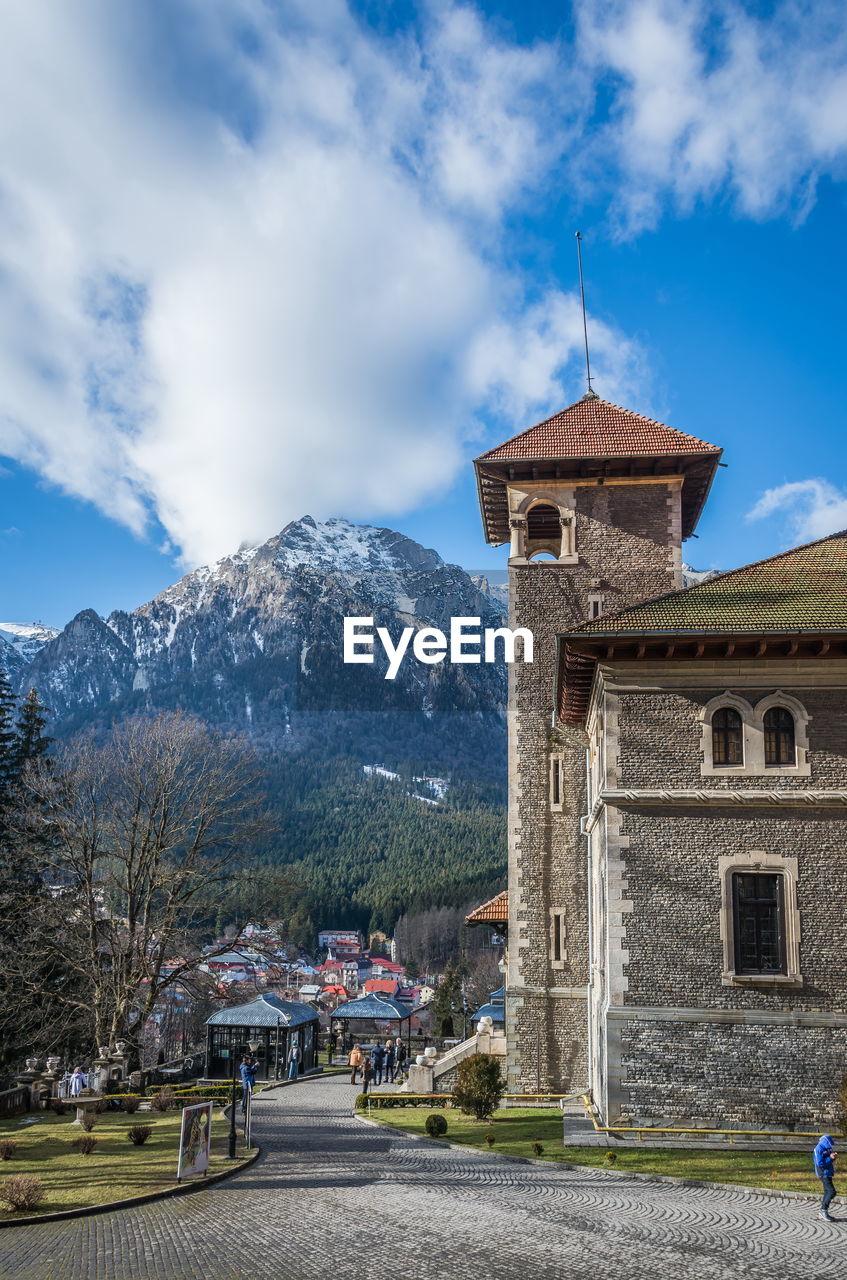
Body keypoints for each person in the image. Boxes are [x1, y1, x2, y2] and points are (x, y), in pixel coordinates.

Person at [814, 1134, 839, 1221]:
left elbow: (829, 1156)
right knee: (832, 1192)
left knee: (827, 1192)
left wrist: (833, 1156)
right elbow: (820, 1163)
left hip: (828, 1172)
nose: (830, 1146)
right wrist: (830, 1158)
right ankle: (823, 1210)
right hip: (823, 1173)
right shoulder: (818, 1149)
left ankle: (823, 1212)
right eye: (829, 1144)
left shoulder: (827, 1148)